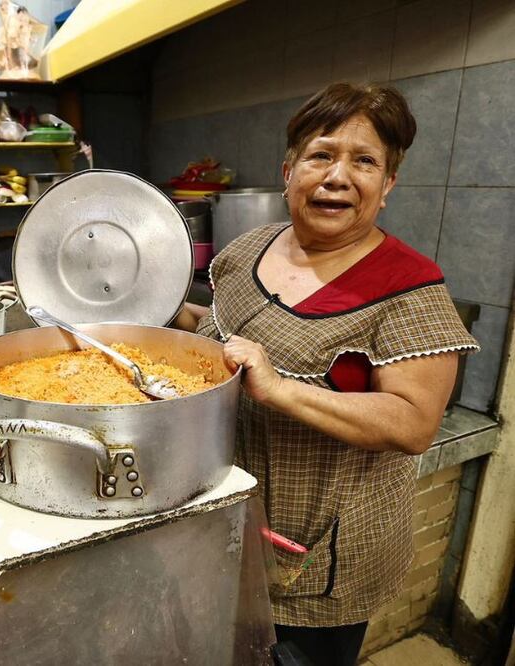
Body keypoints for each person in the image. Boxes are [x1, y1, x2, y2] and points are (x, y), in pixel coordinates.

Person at [174, 82, 478, 666]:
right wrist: (164, 313)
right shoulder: (249, 249)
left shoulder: (409, 288)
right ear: (288, 171)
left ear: (386, 186)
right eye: (321, 155)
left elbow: (414, 423)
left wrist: (282, 389)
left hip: (319, 554)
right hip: (221, 522)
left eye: (364, 161)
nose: (338, 176)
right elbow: (216, 333)